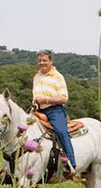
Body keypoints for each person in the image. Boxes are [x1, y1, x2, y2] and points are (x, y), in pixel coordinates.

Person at [32, 50, 76, 178]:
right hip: (38, 110)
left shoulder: (57, 76)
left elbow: (64, 98)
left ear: (50, 62)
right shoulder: (37, 77)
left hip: (54, 110)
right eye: (40, 60)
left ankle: (72, 165)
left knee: (61, 131)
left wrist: (46, 100)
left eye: (45, 60)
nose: (42, 63)